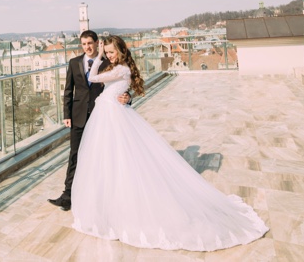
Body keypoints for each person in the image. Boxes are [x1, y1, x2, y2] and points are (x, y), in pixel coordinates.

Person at [71, 35, 268, 251]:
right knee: (108, 162)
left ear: (120, 51)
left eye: (111, 52)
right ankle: (108, 207)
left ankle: (121, 208)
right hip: (108, 117)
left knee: (120, 160)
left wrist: (98, 57)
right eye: (106, 52)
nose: (108, 55)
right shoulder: (118, 67)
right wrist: (106, 62)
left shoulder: (121, 69)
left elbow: (93, 76)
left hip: (112, 118)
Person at [48, 30, 129, 212]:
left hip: (102, 117)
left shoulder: (109, 62)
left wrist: (127, 96)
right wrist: (67, 115)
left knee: (101, 156)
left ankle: (98, 196)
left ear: (96, 43)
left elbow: (122, 85)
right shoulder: (74, 63)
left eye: (90, 43)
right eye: (84, 44)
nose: (87, 47)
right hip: (78, 116)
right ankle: (68, 195)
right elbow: (69, 90)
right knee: (75, 155)